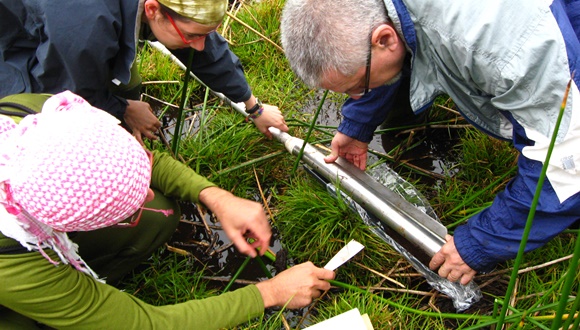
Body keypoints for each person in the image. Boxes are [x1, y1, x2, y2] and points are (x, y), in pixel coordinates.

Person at [280, 0, 580, 285]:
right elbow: (404, 35)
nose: (358, 95)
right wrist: (358, 123)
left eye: (358, 87)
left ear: (384, 39)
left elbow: (568, 163)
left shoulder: (504, 50)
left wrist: (481, 241)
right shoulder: (384, 19)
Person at [0, 91, 334, 329]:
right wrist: (271, 292)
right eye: (125, 211)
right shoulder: (13, 266)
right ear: (59, 223)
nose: (146, 194)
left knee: (158, 214)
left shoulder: (40, 118)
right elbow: (145, 324)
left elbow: (146, 162)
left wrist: (217, 197)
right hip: (11, 285)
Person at [0, 0, 288, 145]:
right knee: (45, 125)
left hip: (70, 39)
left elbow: (206, 48)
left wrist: (253, 106)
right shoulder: (86, 32)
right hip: (17, 50)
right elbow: (62, 95)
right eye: (191, 35)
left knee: (119, 78)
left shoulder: (169, 10)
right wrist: (122, 108)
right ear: (152, 10)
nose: (199, 46)